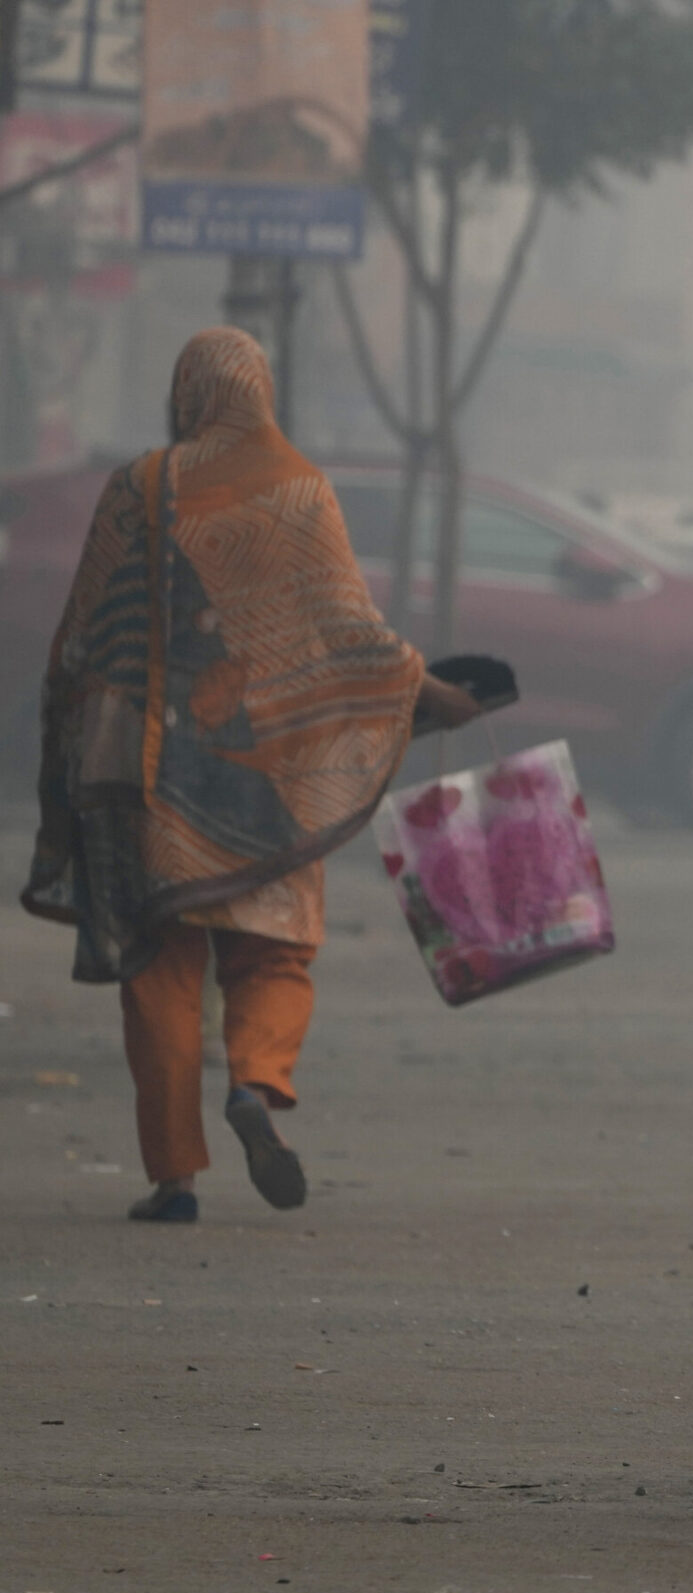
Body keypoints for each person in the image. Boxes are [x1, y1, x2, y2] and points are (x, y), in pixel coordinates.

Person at [20, 327, 480, 1225]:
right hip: (266, 770)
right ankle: (258, 1088)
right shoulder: (300, 492)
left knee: (159, 966)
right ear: (259, 392)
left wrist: (71, 743)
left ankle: (174, 1179)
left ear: (187, 393)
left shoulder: (135, 487)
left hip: (148, 776)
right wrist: (431, 690)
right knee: (274, 950)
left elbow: (84, 633)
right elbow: (352, 631)